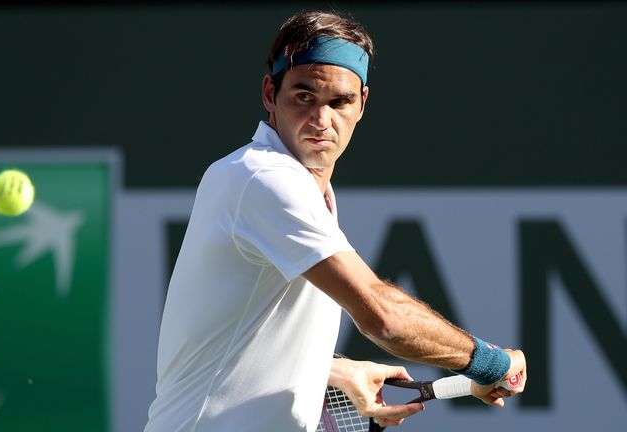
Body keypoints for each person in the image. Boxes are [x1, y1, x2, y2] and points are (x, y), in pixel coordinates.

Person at [145, 10, 526, 432]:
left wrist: (334, 371)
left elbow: (233, 336)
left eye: (339, 102)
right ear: (270, 93)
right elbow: (385, 318)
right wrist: (490, 362)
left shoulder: (299, 189)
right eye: (304, 97)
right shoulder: (265, 178)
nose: (321, 121)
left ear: (361, 104)